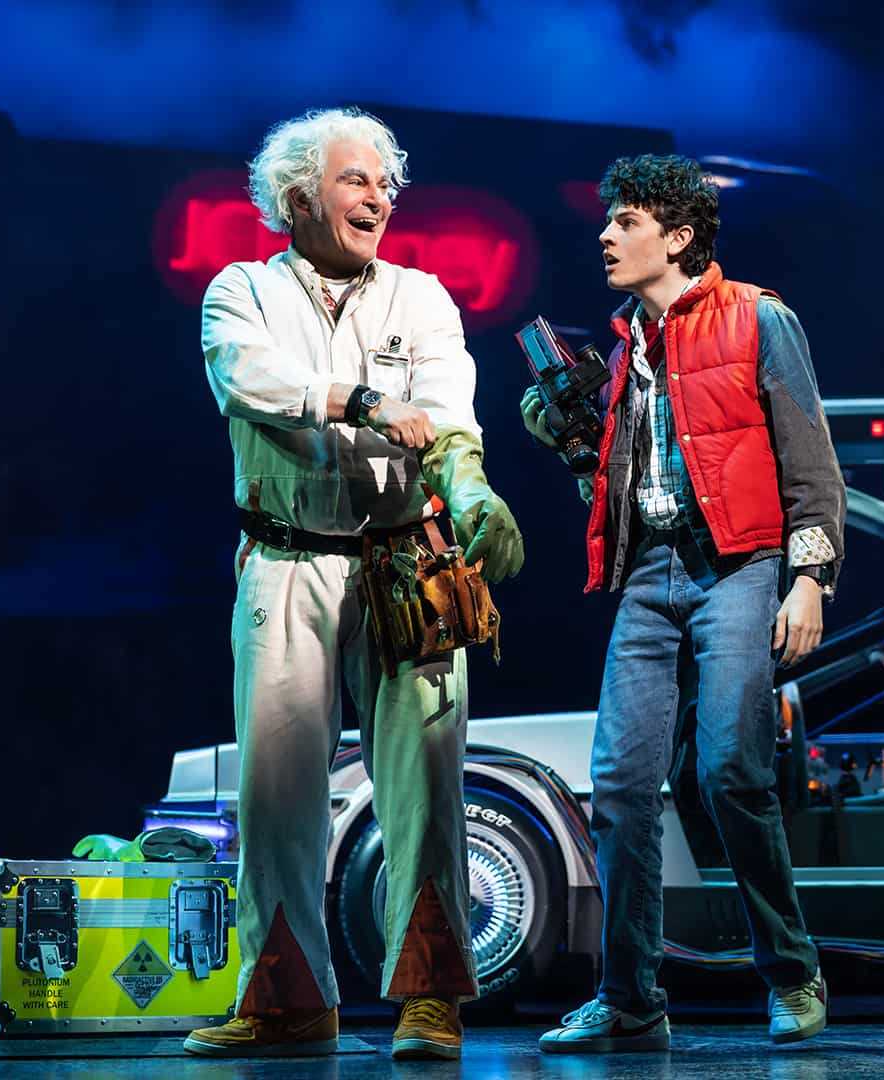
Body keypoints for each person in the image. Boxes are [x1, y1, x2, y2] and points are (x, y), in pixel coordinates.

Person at [182, 107, 522, 1061]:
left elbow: (448, 411)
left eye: (386, 184)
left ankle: (431, 1000)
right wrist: (362, 400)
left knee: (426, 786)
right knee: (275, 791)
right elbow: (248, 379)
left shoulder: (422, 295)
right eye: (356, 180)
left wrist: (471, 488)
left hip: (404, 562)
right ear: (299, 196)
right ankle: (288, 1002)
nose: (379, 198)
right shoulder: (241, 290)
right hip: (285, 560)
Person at [524, 154, 845, 1052]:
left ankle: (794, 973)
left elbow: (812, 462)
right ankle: (630, 999)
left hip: (739, 565)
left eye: (625, 221)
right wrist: (574, 446)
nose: (605, 235)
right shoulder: (625, 344)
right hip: (649, 574)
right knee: (622, 786)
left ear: (678, 235)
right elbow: (621, 480)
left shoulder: (758, 317)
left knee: (730, 770)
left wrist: (810, 579)